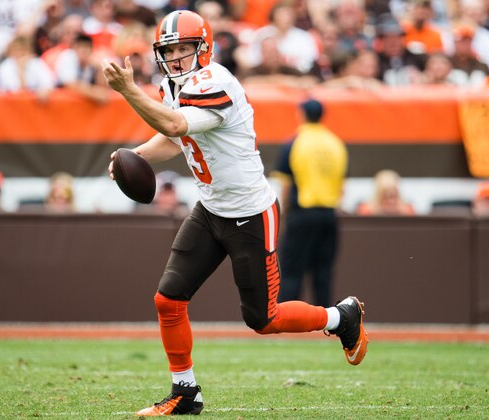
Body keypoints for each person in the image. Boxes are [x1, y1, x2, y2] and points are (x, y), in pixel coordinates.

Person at [101, 10, 369, 416]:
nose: (174, 59)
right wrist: (134, 156)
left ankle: (340, 316)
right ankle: (185, 392)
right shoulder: (174, 86)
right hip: (210, 210)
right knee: (168, 299)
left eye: (183, 50)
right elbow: (176, 140)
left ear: (203, 49)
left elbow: (175, 125)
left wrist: (127, 92)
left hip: (249, 215)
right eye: (168, 51)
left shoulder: (216, 82)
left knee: (264, 319)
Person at [274, 99, 348, 309]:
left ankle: (287, 318)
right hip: (329, 215)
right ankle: (326, 321)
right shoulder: (335, 143)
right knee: (323, 272)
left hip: (302, 214)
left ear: (302, 114)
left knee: (291, 271)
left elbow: (286, 185)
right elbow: (342, 186)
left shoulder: (295, 142)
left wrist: (283, 215)